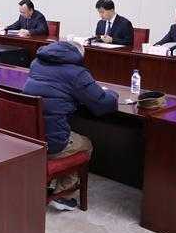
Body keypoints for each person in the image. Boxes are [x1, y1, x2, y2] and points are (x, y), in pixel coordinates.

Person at [22, 41, 118, 211]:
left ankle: (47, 182)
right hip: (52, 144)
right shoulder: (77, 73)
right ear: (78, 55)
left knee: (66, 131)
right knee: (86, 144)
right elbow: (102, 104)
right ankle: (63, 194)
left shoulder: (36, 63)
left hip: (28, 138)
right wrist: (112, 93)